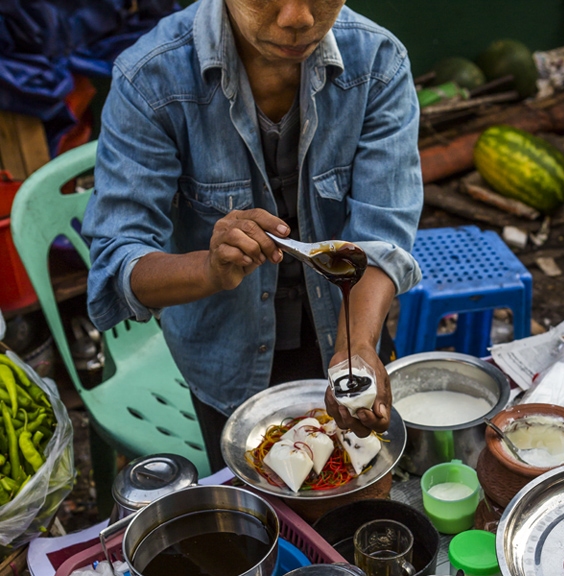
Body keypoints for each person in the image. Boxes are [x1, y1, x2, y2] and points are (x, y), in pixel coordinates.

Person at [84, 0, 423, 471]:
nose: (298, 18)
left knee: (355, 496)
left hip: (349, 322)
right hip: (223, 356)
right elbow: (118, 262)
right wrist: (208, 267)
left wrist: (357, 350)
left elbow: (382, 235)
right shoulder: (151, 78)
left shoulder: (378, 63)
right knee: (258, 517)